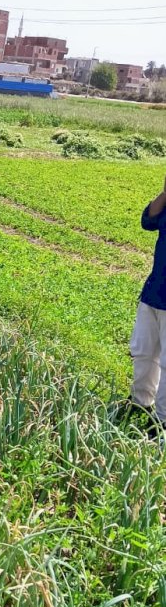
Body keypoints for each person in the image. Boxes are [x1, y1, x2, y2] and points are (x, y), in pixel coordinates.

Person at [129, 177, 166, 428]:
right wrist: (165, 192)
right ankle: (140, 402)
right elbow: (147, 220)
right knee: (142, 350)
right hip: (154, 290)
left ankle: (162, 421)